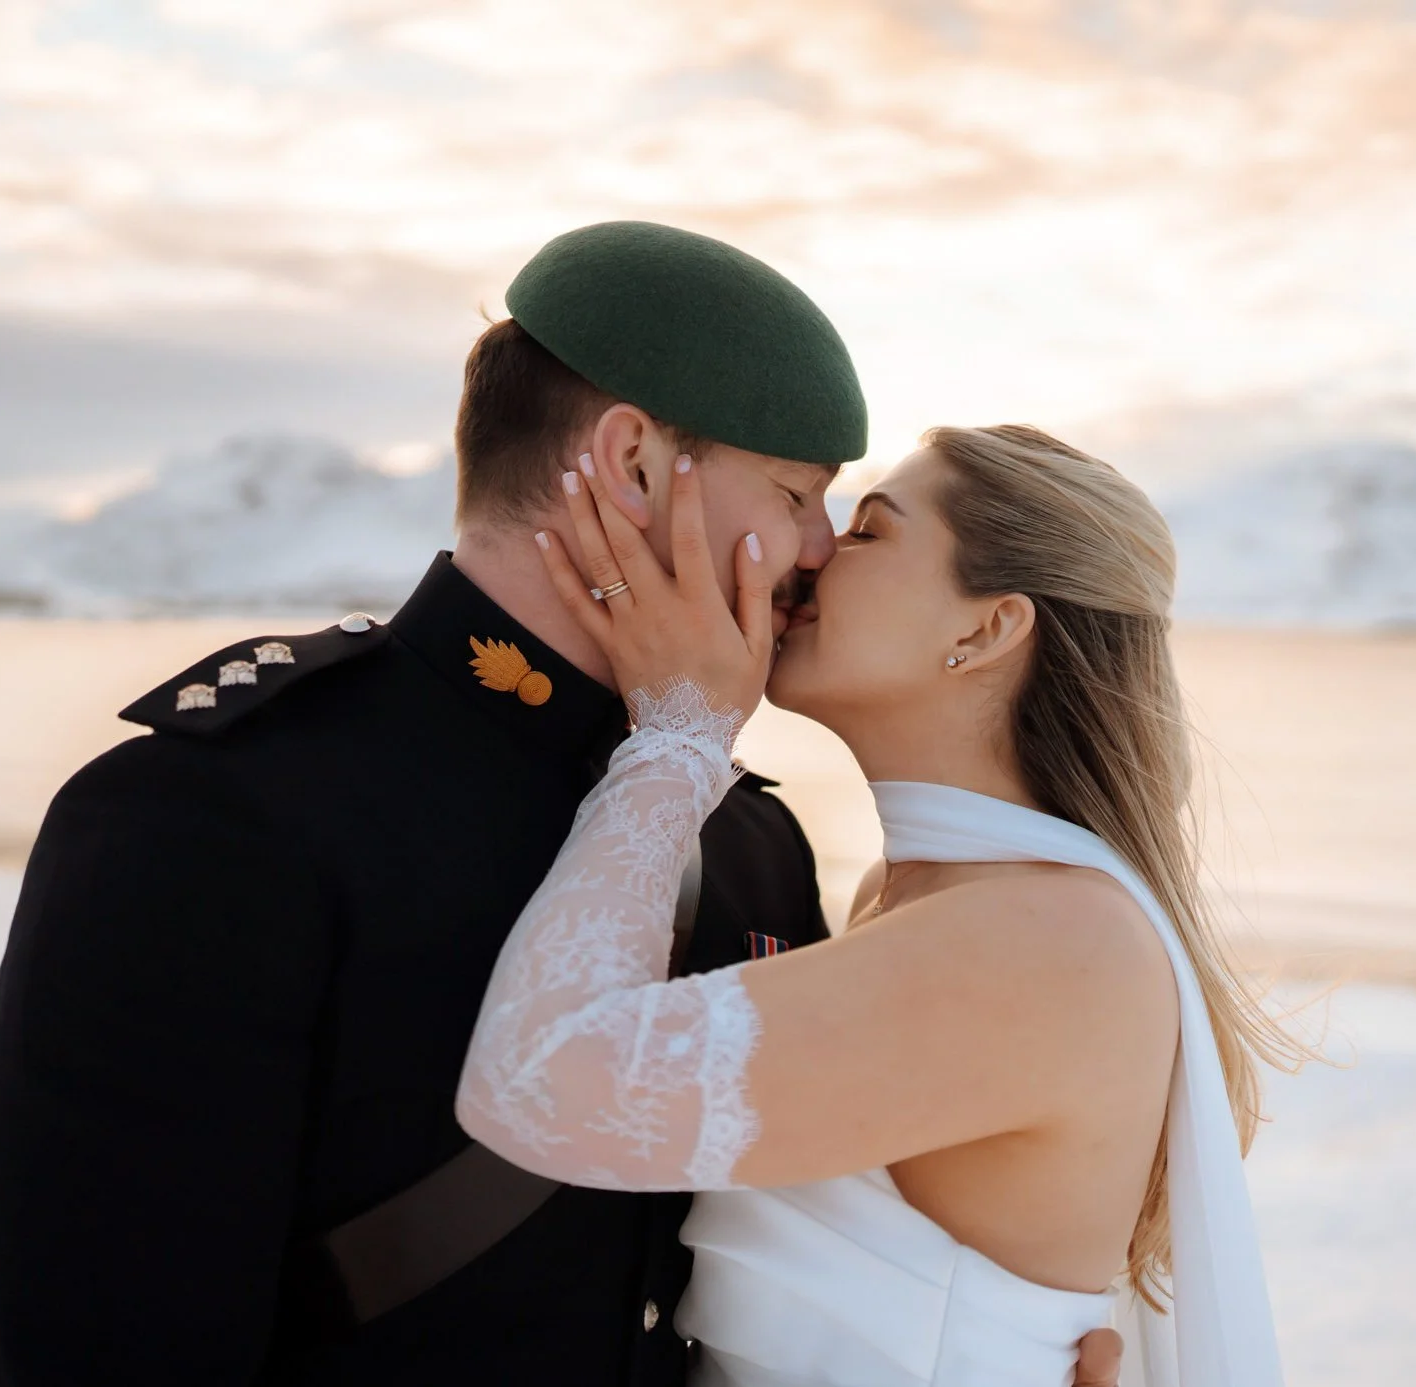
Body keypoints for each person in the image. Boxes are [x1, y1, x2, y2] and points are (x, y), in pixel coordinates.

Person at [0, 221, 1120, 1386]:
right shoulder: (212, 814)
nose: (818, 550)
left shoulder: (750, 842)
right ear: (631, 464)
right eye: (794, 495)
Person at [454, 423, 1305, 1386]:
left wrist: (680, 737)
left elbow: (538, 1083)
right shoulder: (927, 900)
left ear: (985, 629)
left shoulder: (1042, 942)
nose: (812, 556)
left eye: (868, 530)